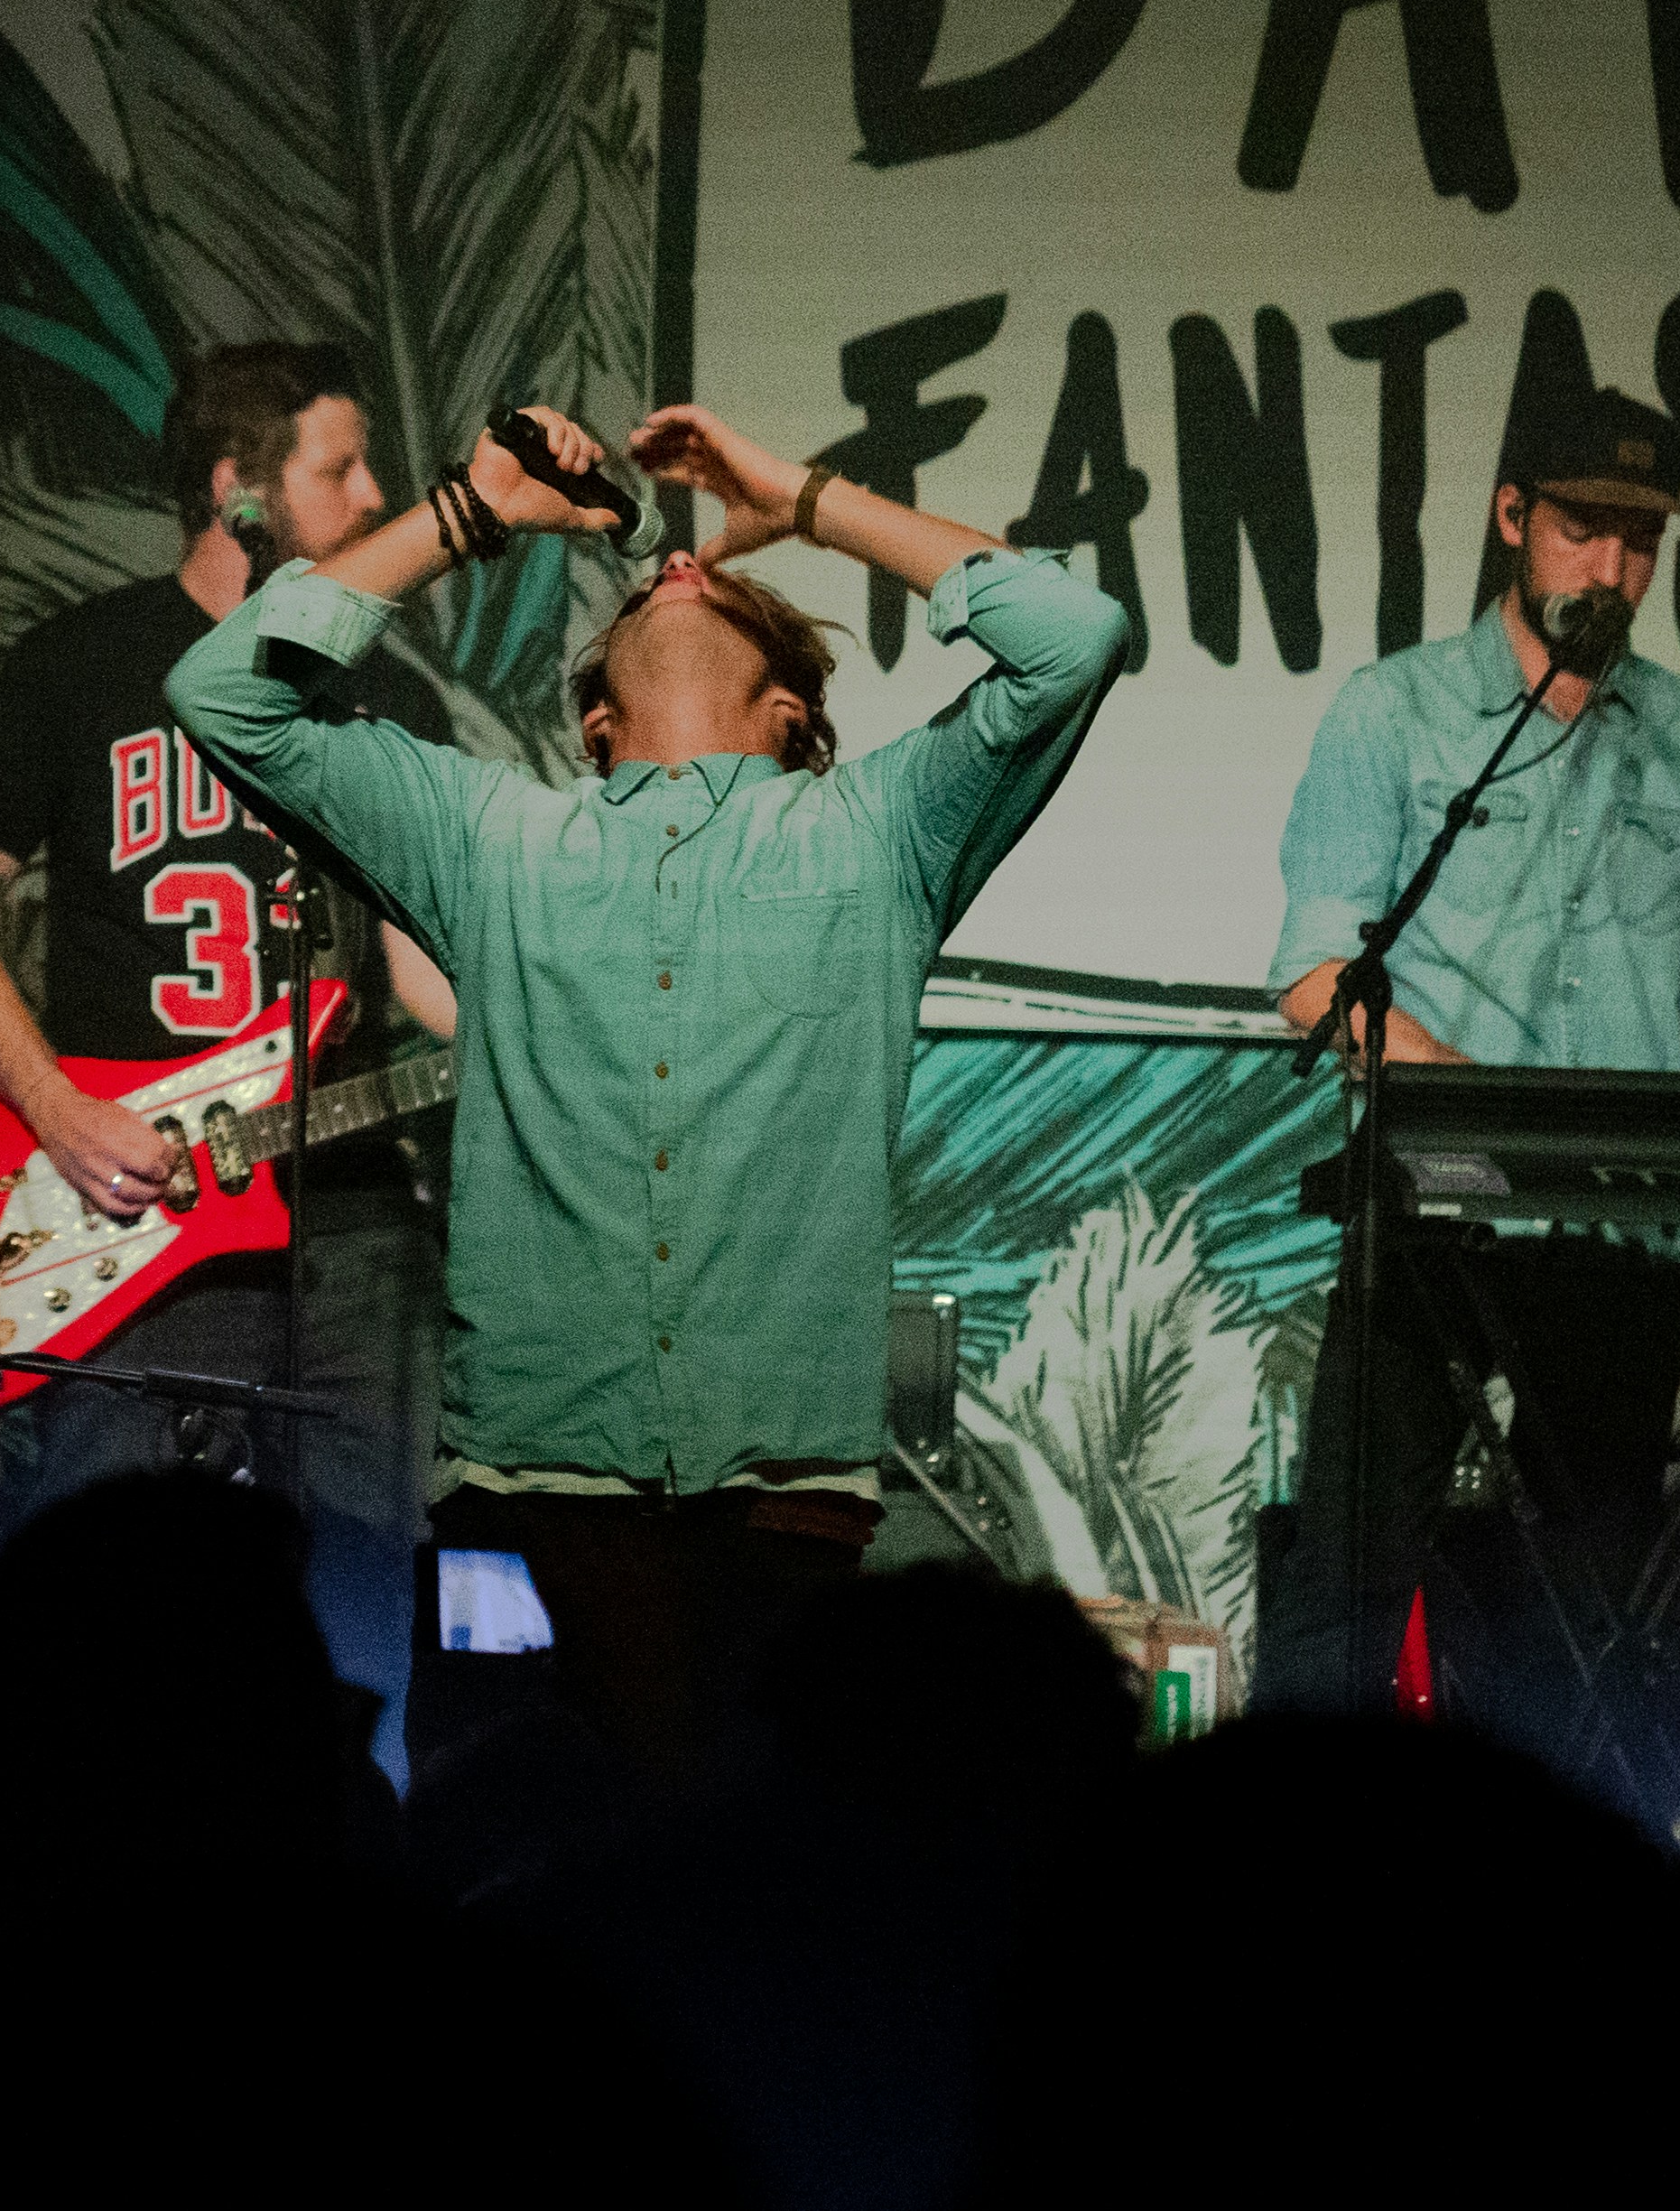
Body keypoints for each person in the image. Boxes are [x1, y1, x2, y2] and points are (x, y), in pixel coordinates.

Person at [164, 397, 1128, 1780]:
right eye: (661, 578)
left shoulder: (876, 832)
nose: (678, 564)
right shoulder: (495, 835)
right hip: (528, 1483)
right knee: (511, 1868)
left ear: (793, 712)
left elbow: (1071, 636)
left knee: (754, 1891)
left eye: (725, 585)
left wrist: (800, 498)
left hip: (782, 1491)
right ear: (597, 720)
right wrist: (466, 510)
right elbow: (222, 691)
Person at [0, 337, 461, 1754]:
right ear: (237, 492)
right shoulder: (80, 663)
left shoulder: (384, 697)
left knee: (360, 1589)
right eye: (340, 466)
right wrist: (53, 1113)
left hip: (337, 1213)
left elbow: (415, 965)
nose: (375, 492)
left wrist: (550, 1029)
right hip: (126, 1195)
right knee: (104, 1599)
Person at [1257, 376, 1680, 1742]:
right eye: (1580, 528)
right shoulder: (1395, 714)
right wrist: (1457, 1093)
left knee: (1597, 1597)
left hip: (1615, 1225)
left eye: (1639, 541)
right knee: (1349, 1582)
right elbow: (1319, 971)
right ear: (1512, 517)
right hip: (1425, 1215)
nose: (1610, 567)